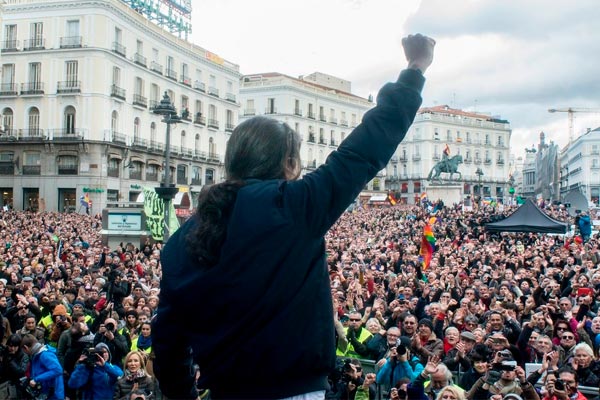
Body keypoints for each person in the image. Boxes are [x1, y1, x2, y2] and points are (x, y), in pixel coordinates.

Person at [153, 33, 435, 399]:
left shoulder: (182, 239)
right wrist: (414, 70)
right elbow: (364, 149)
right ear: (288, 164)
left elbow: (168, 338)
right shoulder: (295, 206)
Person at [20, 333, 64, 400]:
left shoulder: (45, 354)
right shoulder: (37, 353)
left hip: (53, 394)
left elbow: (57, 370)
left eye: (25, 351)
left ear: (26, 347)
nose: (26, 353)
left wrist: (36, 379)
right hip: (46, 392)